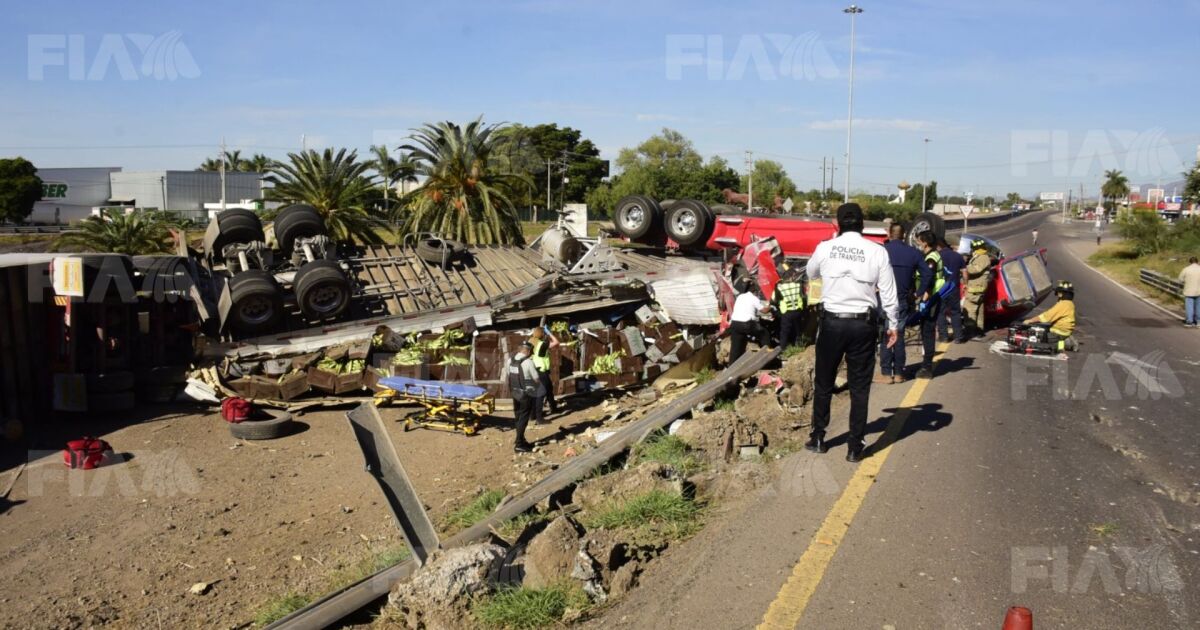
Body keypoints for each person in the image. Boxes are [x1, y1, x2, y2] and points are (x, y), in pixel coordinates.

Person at [805, 203, 899, 463]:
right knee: (859, 388)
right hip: (862, 326)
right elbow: (889, 294)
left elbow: (810, 272)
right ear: (861, 225)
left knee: (824, 383)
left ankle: (819, 438)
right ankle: (855, 446)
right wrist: (893, 325)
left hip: (832, 323)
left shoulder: (825, 248)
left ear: (838, 223)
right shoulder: (877, 251)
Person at [876, 222, 924, 384]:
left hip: (884, 299)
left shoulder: (882, 251)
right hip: (903, 300)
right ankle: (898, 373)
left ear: (889, 233)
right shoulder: (913, 253)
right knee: (900, 335)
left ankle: (886, 373)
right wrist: (918, 292)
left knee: (886, 334)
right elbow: (928, 274)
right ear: (904, 234)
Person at [913, 231, 944, 378]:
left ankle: (927, 367)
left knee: (927, 331)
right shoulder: (933, 255)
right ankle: (926, 363)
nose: (918, 243)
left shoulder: (931, 258)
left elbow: (929, 278)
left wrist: (924, 296)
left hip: (931, 298)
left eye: (919, 241)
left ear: (925, 242)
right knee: (927, 330)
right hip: (932, 298)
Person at [507, 341, 543, 453]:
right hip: (526, 395)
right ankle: (519, 444)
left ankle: (521, 440)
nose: (531, 354)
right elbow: (536, 379)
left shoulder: (510, 360)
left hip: (515, 393)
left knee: (518, 418)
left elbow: (508, 375)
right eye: (531, 351)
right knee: (523, 418)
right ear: (527, 351)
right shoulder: (528, 362)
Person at [1024, 281, 1077, 351]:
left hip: (1059, 331)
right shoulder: (1070, 304)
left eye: (1058, 292)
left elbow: (1047, 316)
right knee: (1047, 333)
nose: (1057, 294)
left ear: (1061, 294)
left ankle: (1066, 344)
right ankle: (1064, 340)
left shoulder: (1063, 304)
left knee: (1043, 343)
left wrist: (1030, 320)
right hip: (1065, 331)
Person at [728, 280, 771, 363]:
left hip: (735, 324)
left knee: (736, 346)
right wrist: (771, 305)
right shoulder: (753, 298)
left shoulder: (740, 297)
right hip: (746, 323)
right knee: (764, 333)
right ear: (753, 290)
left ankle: (732, 365)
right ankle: (766, 358)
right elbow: (764, 311)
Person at [937, 237, 965, 343]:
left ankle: (944, 337)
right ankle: (958, 337)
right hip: (954, 288)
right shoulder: (957, 256)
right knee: (955, 312)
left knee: (941, 313)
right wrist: (965, 284)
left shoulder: (937, 256)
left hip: (941, 289)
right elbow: (965, 272)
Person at [962, 238, 991, 339]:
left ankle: (971, 332)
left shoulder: (983, 257)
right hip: (978, 288)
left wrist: (963, 267)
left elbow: (975, 269)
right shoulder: (981, 256)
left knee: (970, 310)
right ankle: (979, 331)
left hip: (975, 288)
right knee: (979, 311)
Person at [529, 326, 560, 421]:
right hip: (542, 372)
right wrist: (550, 333)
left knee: (548, 390)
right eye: (544, 333)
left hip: (535, 371)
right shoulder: (542, 344)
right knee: (541, 394)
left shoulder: (532, 342)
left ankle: (535, 414)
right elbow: (556, 342)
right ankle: (538, 417)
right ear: (542, 334)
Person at [771, 267, 807, 348]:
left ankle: (783, 349)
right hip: (798, 311)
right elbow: (804, 298)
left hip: (786, 313)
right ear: (792, 276)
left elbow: (773, 301)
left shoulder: (779, 287)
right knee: (798, 330)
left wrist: (778, 311)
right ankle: (799, 347)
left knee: (784, 332)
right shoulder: (798, 285)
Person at [1179, 257, 1200, 328]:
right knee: (1198, 307)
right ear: (1198, 262)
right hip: (1199, 291)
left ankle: (1189, 322)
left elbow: (1180, 279)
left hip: (1189, 291)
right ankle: (1198, 322)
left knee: (1189, 307)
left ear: (1190, 262)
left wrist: (1186, 281)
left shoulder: (1186, 269)